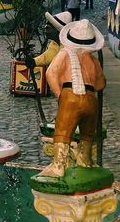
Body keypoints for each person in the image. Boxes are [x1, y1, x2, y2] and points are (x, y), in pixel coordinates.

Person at [43, 19, 106, 177]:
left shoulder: (65, 53)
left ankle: (58, 165)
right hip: (91, 99)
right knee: (87, 133)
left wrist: (60, 96)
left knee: (63, 132)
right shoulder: (94, 60)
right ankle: (85, 160)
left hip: (70, 95)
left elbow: (51, 73)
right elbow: (100, 84)